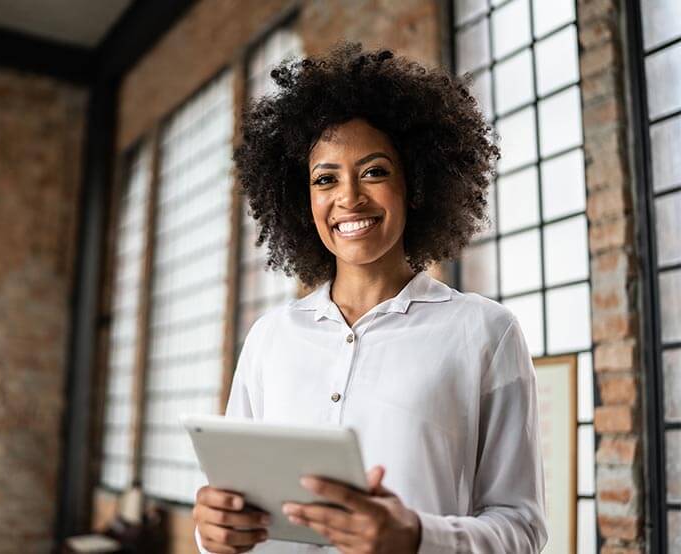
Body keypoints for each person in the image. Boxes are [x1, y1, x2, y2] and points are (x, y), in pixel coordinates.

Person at [192, 41, 547, 553]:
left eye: (375, 171)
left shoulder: (484, 332)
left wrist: (416, 537)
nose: (348, 198)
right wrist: (212, 533)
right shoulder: (270, 337)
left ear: (416, 183)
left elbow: (525, 532)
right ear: (302, 198)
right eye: (325, 178)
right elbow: (229, 504)